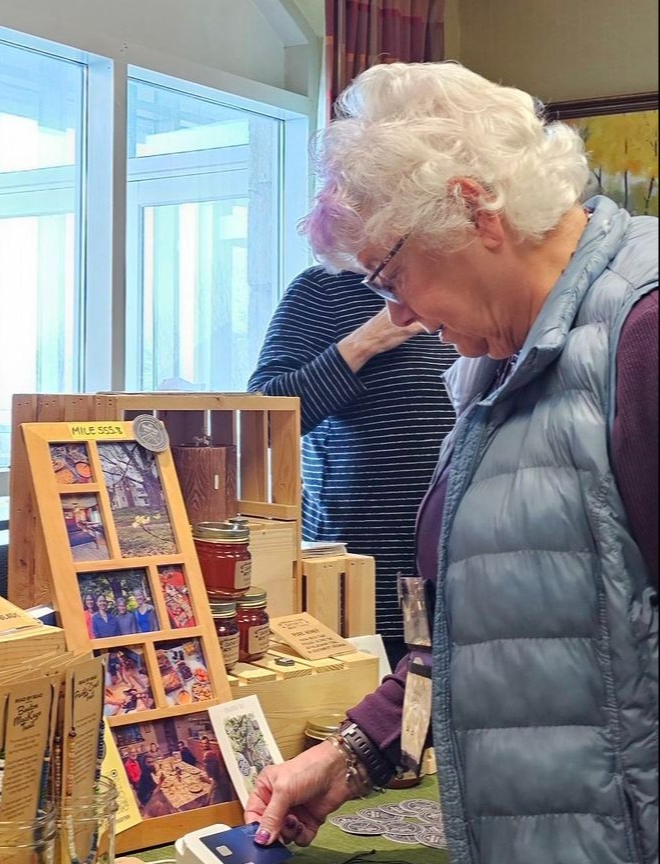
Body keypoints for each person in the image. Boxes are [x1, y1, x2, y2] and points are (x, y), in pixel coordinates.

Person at [245, 62, 657, 864]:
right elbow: (483, 632)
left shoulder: (642, 334)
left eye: (391, 275)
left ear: (475, 211)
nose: (393, 311)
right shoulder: (492, 367)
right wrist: (352, 756)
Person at [248, 267, 458, 661]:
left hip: (459, 572)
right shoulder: (325, 288)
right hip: (359, 577)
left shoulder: (458, 283)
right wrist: (367, 340)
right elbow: (264, 417)